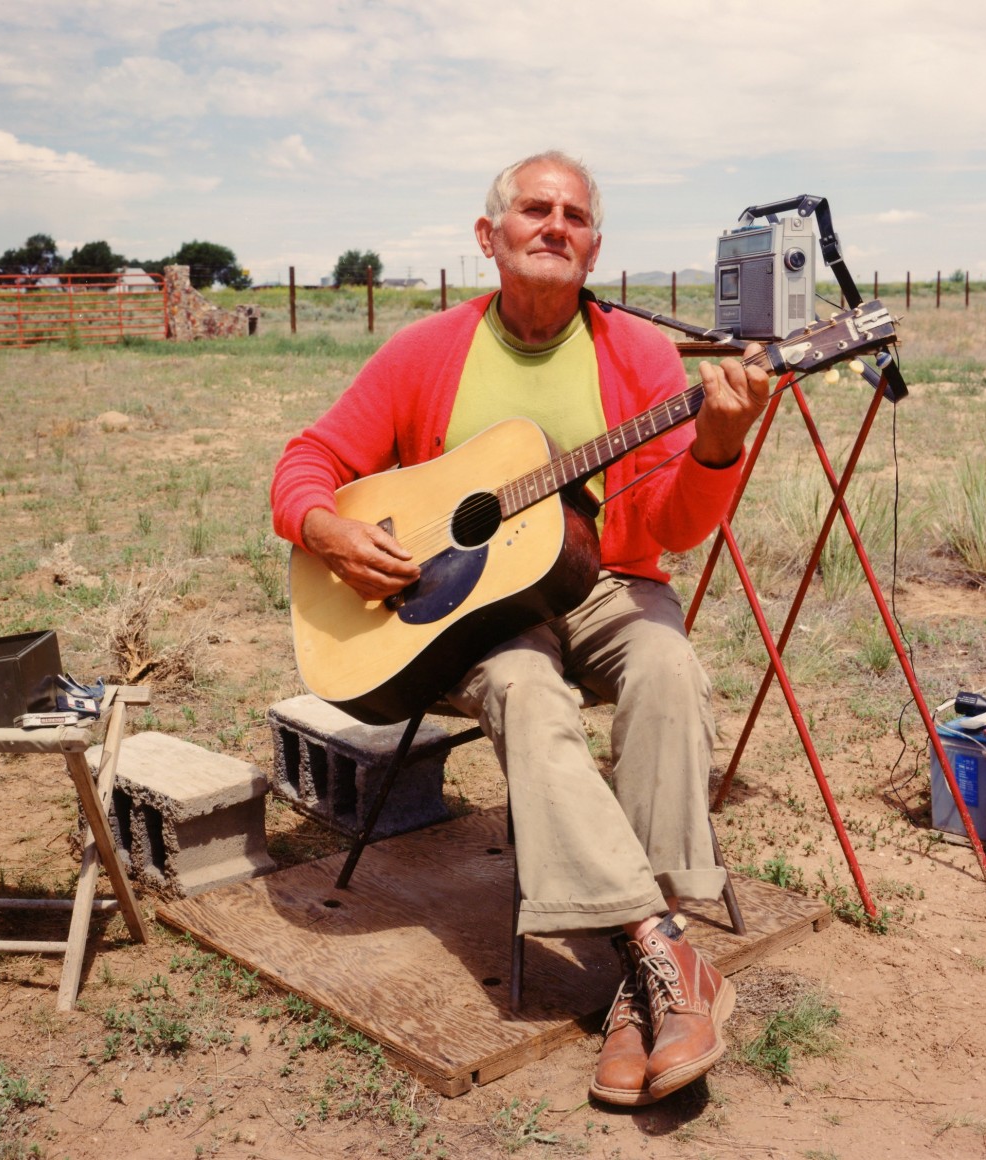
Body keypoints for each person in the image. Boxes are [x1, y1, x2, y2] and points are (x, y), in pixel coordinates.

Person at [271, 150, 771, 1105]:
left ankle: (643, 976)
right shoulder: (425, 352)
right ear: (487, 236)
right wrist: (327, 530)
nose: (554, 225)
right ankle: (661, 960)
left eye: (574, 216)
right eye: (533, 210)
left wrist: (715, 447)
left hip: (606, 581)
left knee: (666, 665)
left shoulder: (637, 353)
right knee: (520, 687)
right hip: (474, 614)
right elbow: (310, 457)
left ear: (593, 247)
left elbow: (670, 526)